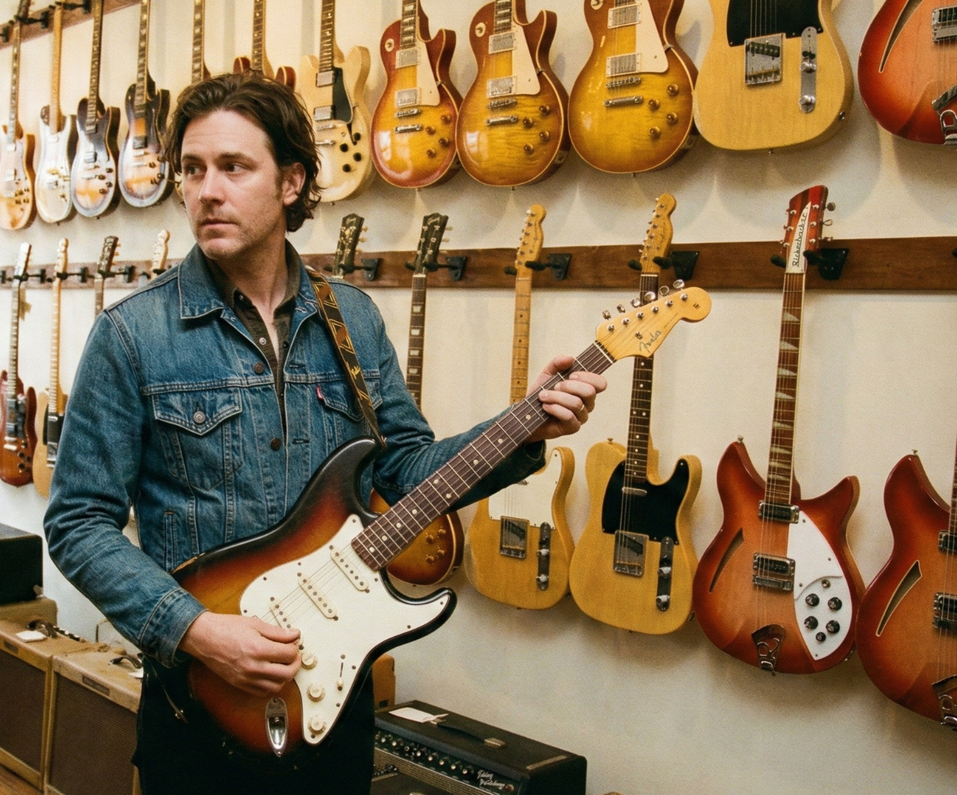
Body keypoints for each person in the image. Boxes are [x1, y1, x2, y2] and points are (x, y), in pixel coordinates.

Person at [43, 74, 607, 795]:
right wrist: (198, 631)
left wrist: (525, 425)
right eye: (192, 169)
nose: (205, 190)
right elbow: (78, 523)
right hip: (200, 714)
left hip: (337, 697)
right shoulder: (131, 335)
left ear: (292, 182)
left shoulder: (353, 320)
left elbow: (406, 469)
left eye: (234, 167)